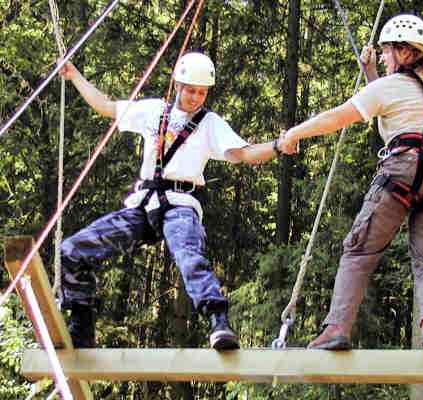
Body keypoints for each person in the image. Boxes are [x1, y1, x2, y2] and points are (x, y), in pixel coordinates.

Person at [58, 52, 281, 350]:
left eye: (202, 92)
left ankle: (218, 320)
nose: (195, 98)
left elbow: (244, 154)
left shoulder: (209, 123)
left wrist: (278, 146)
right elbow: (106, 106)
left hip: (180, 205)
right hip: (143, 205)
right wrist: (75, 76)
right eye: (190, 90)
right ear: (177, 84)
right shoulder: (152, 111)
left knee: (188, 255)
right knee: (72, 249)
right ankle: (82, 326)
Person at [278, 14, 423, 352]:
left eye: (387, 51)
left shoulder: (388, 87)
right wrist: (370, 75)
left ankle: (336, 328)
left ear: (404, 52)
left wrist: (294, 133)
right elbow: (396, 106)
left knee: (359, 250)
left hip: (403, 171)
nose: (382, 57)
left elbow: (338, 117)